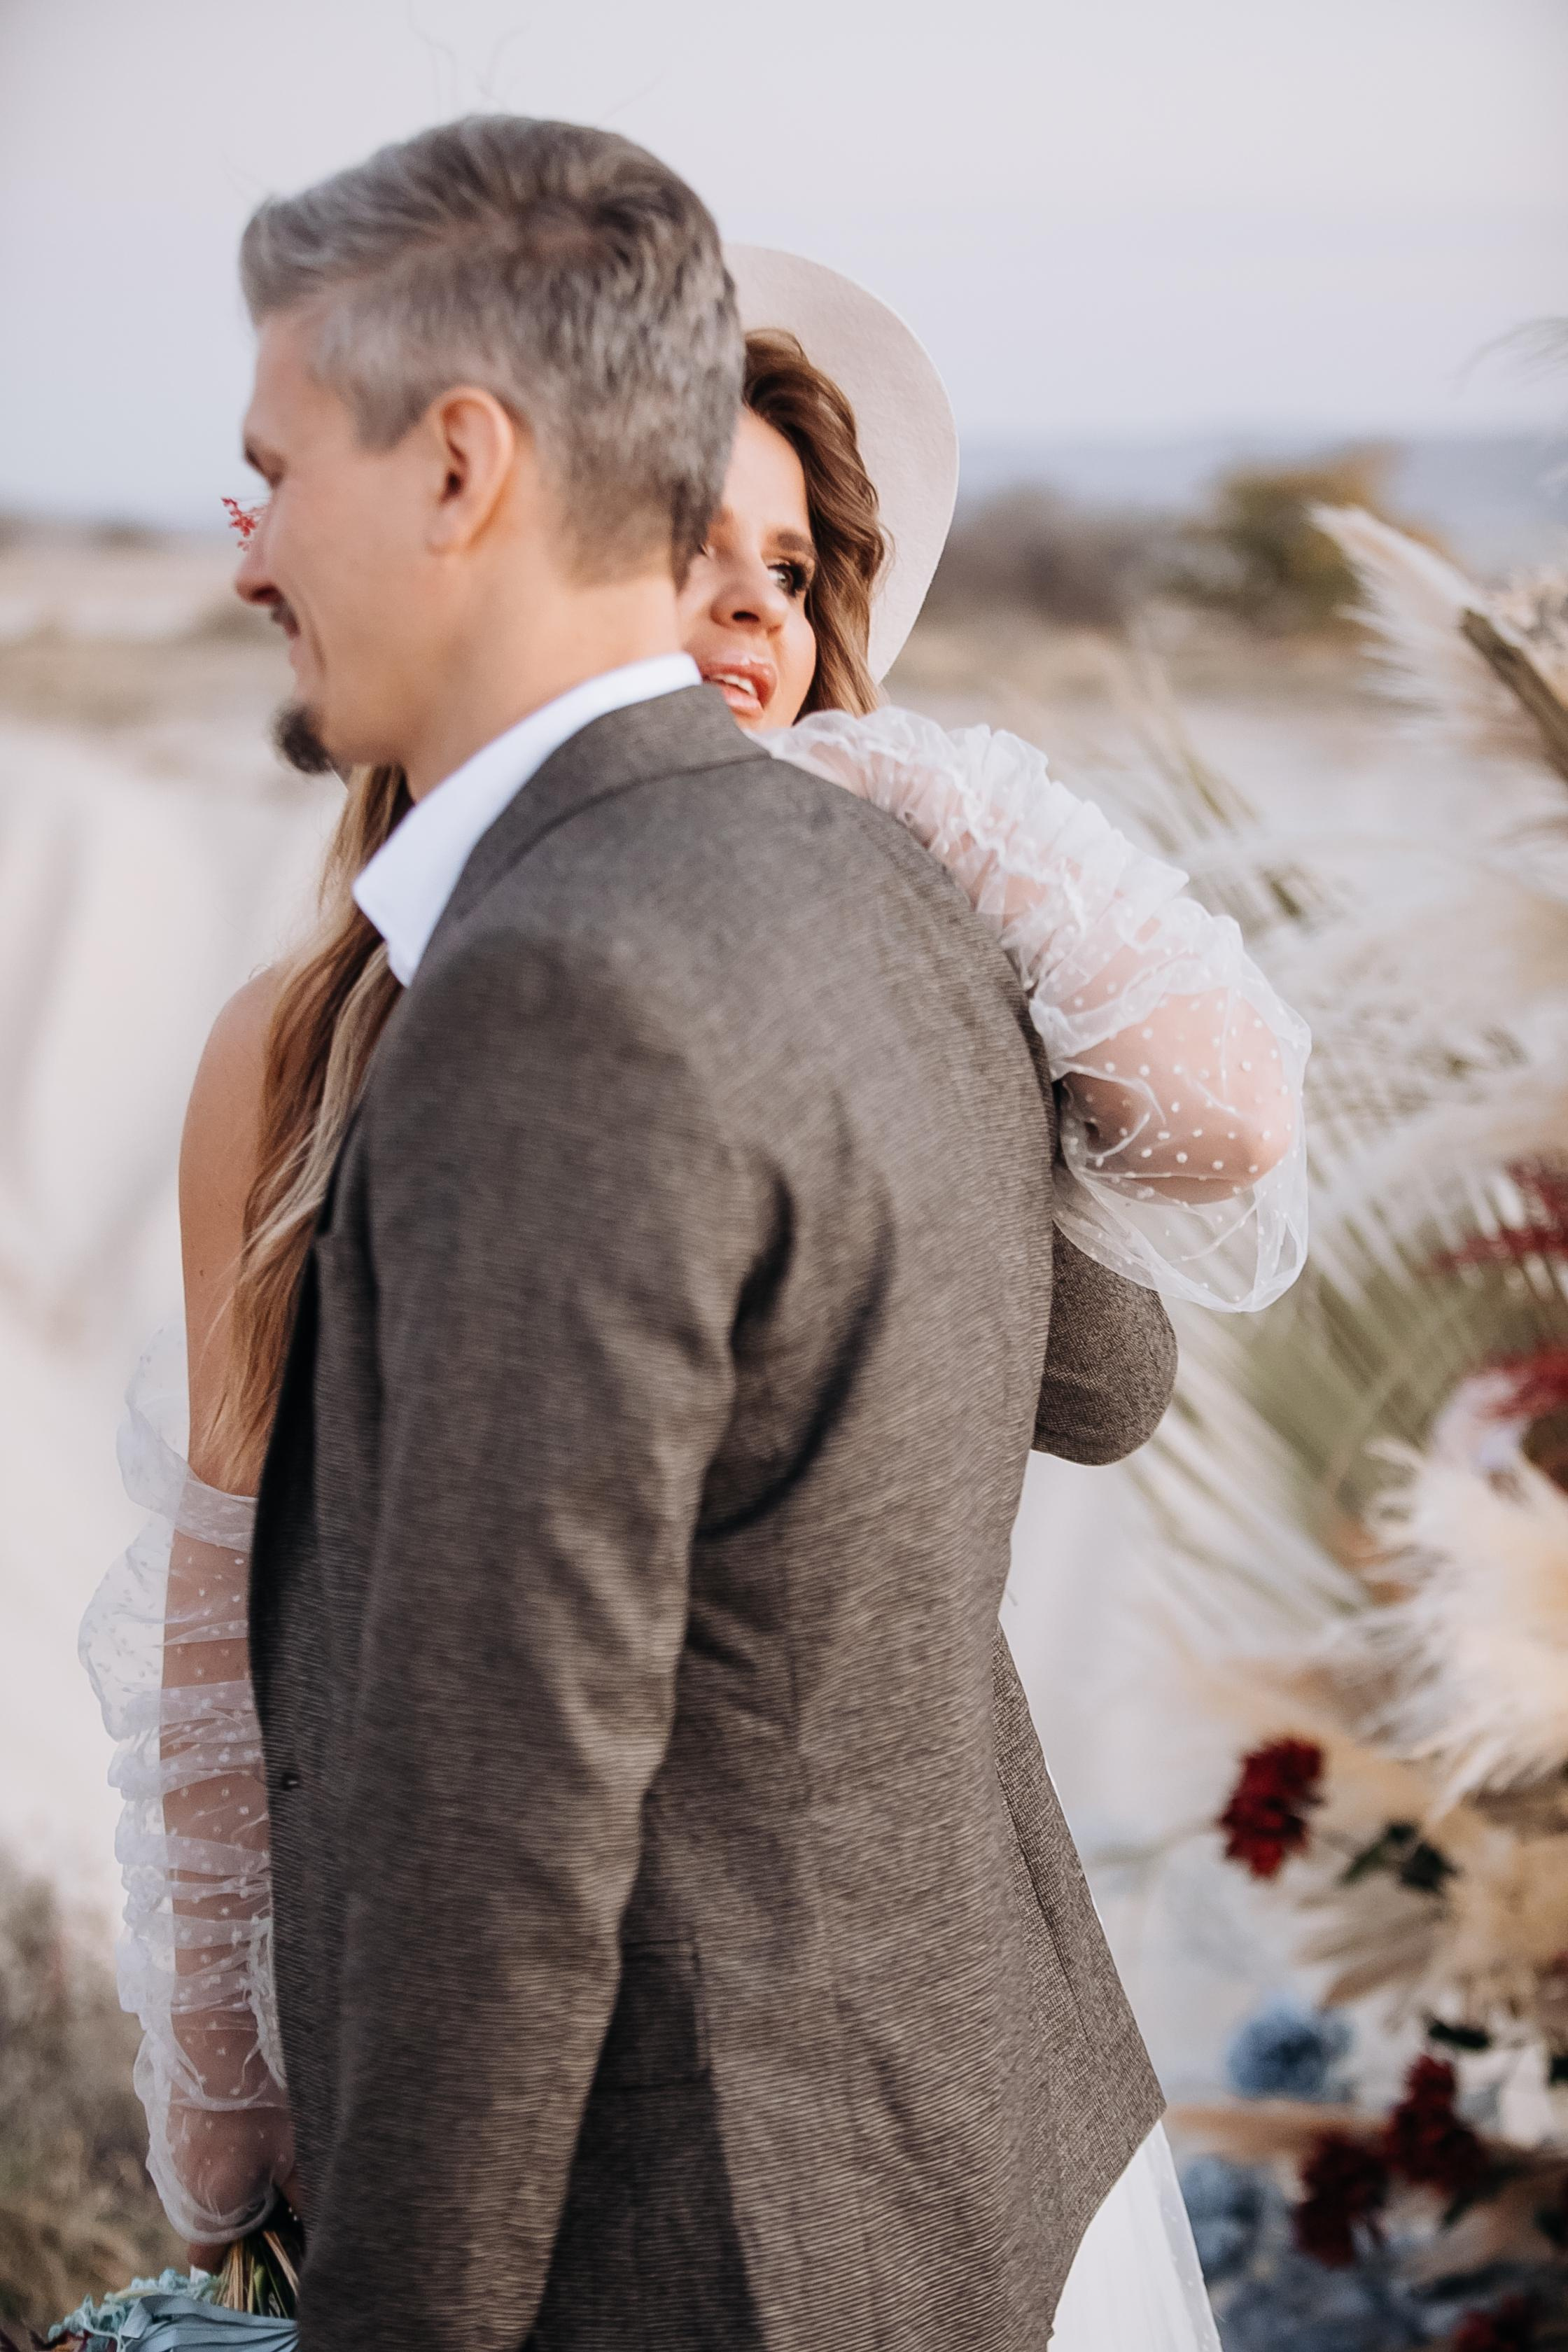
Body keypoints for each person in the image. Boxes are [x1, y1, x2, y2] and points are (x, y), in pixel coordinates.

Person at [81, 119, 1306, 2351]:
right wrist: (231, 2127)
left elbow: (498, 1842)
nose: (251, 550)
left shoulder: (619, 980)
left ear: (467, 472)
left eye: (287, 469)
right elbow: (238, 1639)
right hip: (993, 2160)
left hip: (738, 2237)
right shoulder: (806, 928)